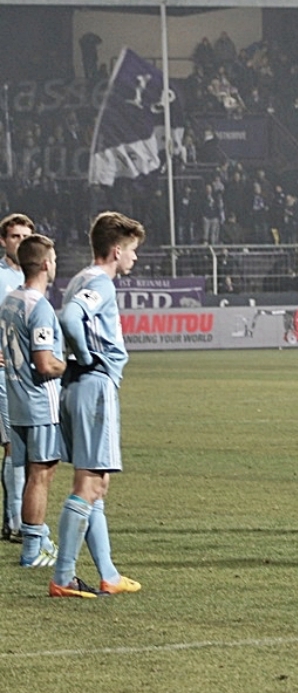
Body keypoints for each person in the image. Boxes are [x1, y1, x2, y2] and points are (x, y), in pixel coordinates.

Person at [50, 211, 147, 599]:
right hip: (93, 384)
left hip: (75, 387)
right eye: (133, 251)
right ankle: (63, 577)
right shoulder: (100, 283)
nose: (135, 259)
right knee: (88, 484)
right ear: (116, 249)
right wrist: (90, 358)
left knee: (97, 483)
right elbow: (71, 317)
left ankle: (107, 574)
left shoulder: (78, 278)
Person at [0, 234, 65, 573]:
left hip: (16, 399)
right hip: (40, 402)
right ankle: (32, 549)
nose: (54, 265)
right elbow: (44, 363)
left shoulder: (10, 300)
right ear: (43, 264)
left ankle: (37, 540)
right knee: (41, 475)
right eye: (52, 259)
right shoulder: (38, 307)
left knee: (29, 475)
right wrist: (70, 364)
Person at [0, 215, 31, 543]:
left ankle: (15, 519)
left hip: (26, 375)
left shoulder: (32, 276)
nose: (19, 241)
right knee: (14, 445)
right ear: (3, 241)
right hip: (3, 374)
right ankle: (15, 522)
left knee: (20, 445)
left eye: (25, 236)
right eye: (14, 236)